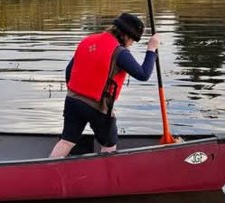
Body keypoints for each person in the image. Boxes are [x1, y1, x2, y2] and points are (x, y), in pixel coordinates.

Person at [50, 12, 160, 158]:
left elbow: (69, 70)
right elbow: (143, 74)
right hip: (98, 107)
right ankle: (105, 175)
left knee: (67, 141)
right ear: (126, 36)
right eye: (133, 40)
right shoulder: (120, 52)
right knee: (109, 145)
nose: (132, 44)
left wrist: (75, 92)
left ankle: (49, 170)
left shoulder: (88, 41)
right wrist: (151, 49)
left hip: (73, 100)